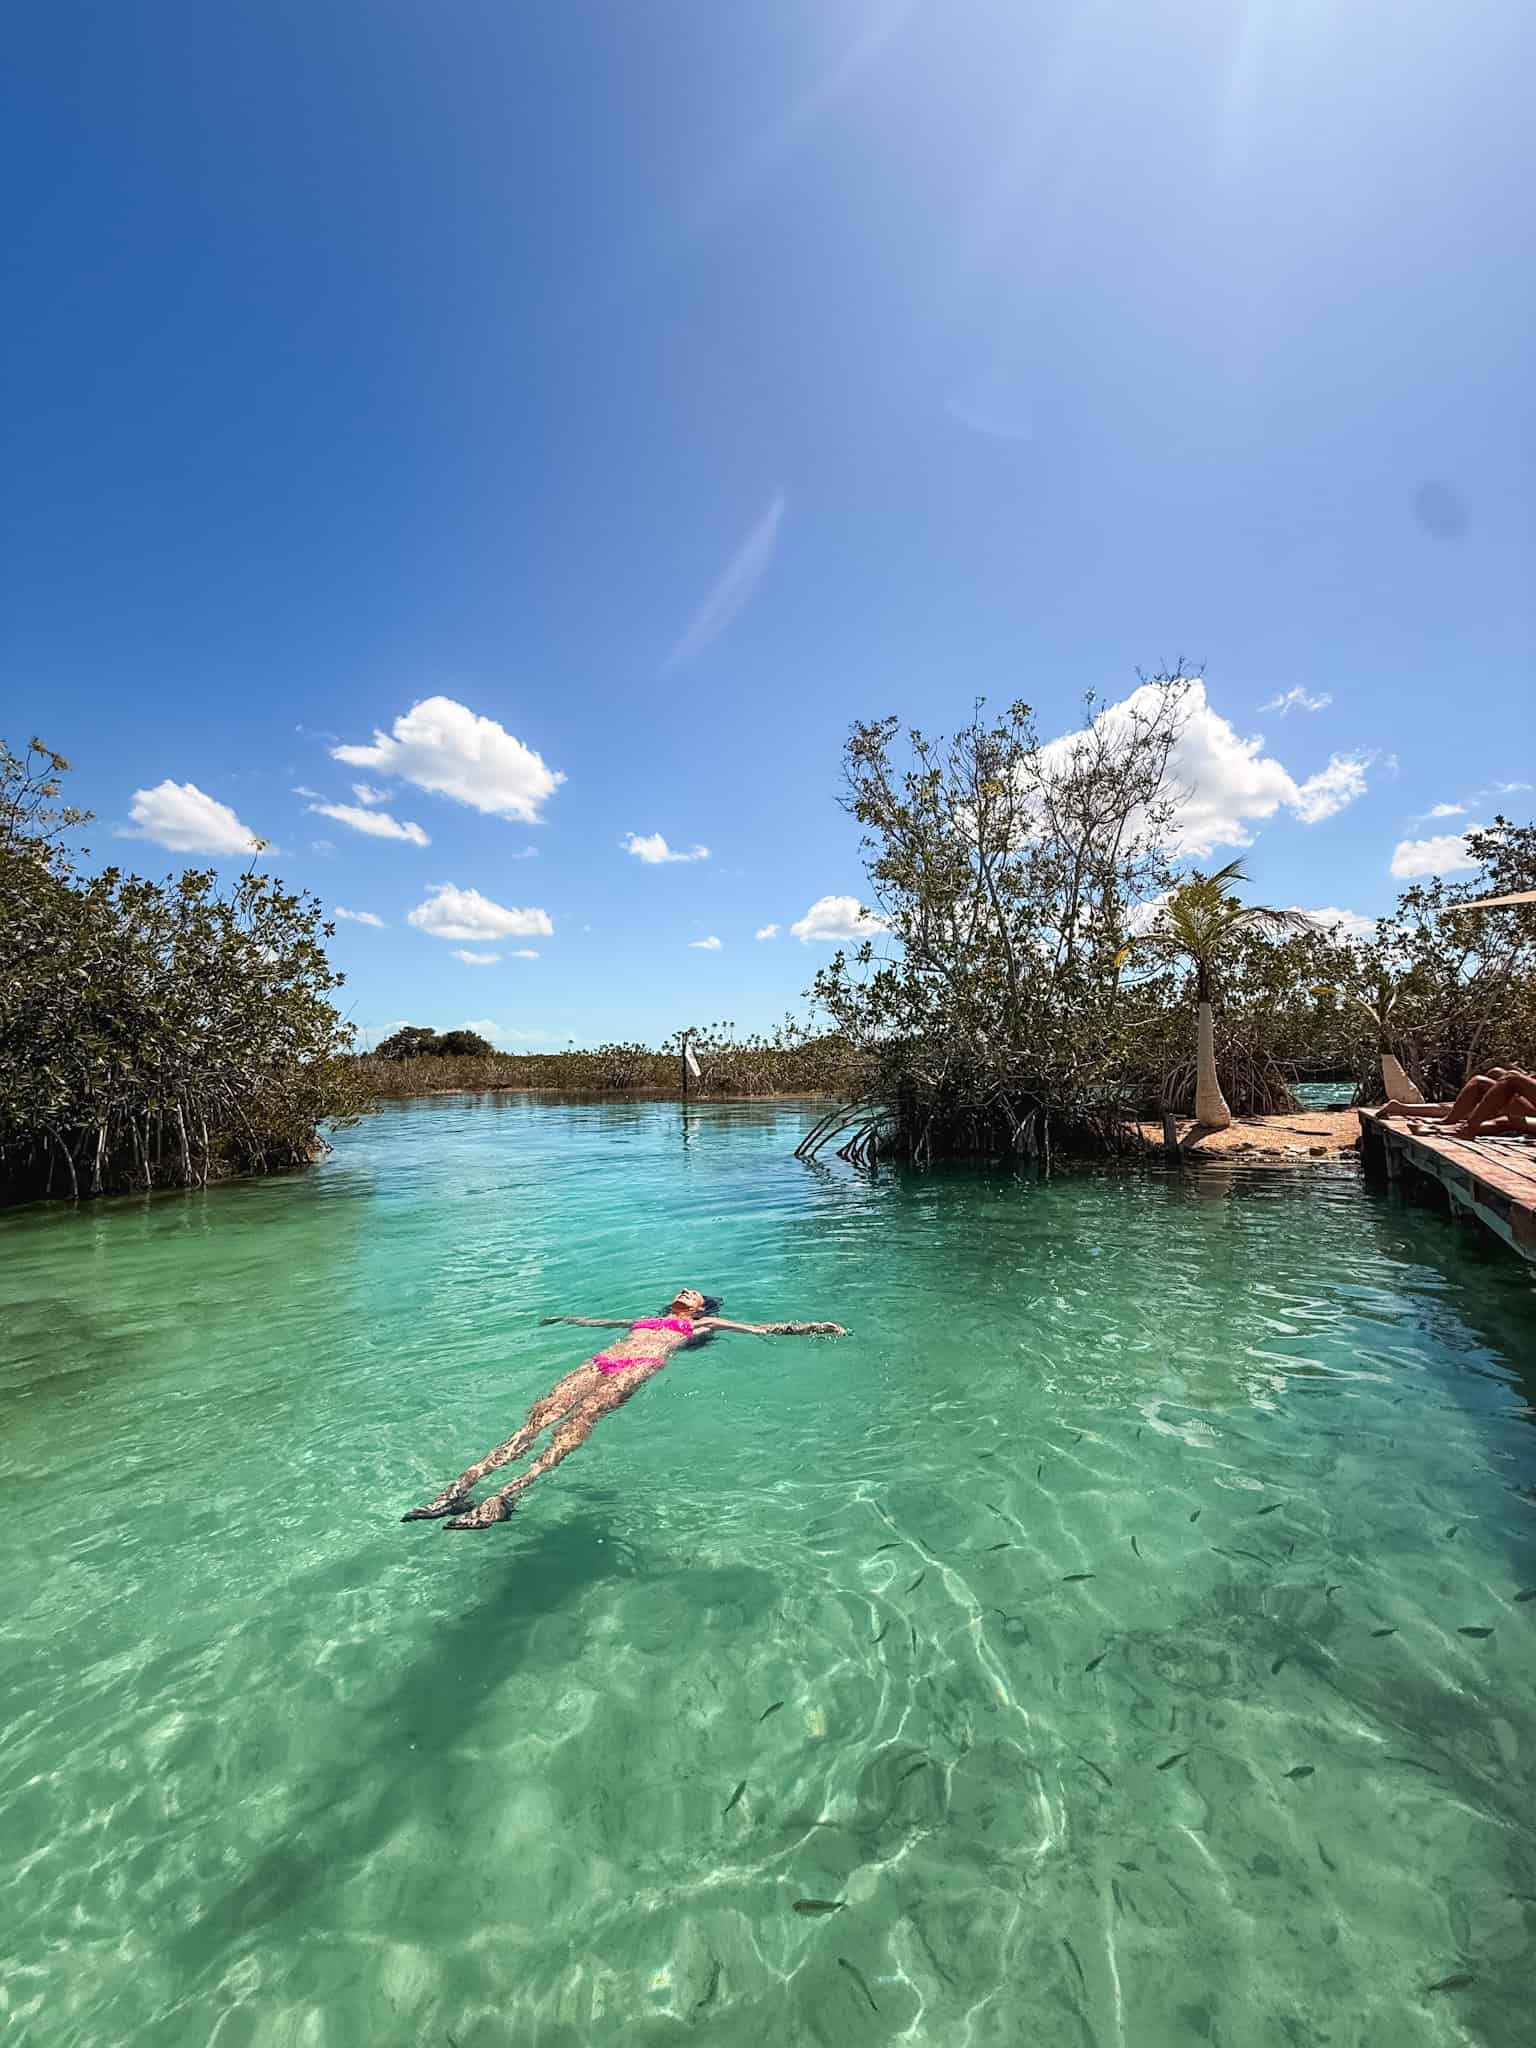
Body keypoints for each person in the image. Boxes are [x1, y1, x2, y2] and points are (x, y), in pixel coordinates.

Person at [402, 1287, 847, 1530]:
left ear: (700, 1309)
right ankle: (457, 1491)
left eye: (694, 1293)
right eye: (684, 1289)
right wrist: (563, 1319)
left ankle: (507, 1495)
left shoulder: (703, 1323)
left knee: (575, 1426)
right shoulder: (645, 1319)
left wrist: (809, 1328)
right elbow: (600, 1323)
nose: (686, 1290)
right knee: (537, 1418)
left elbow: (761, 1328)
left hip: (636, 1367)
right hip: (599, 1362)